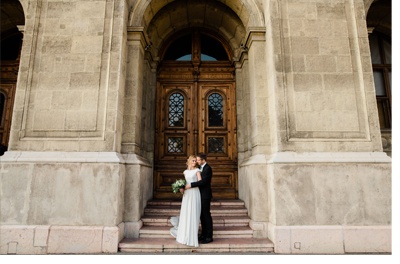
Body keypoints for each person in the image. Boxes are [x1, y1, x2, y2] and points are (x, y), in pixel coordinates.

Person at [169, 155, 202, 247]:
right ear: (189, 161)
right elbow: (185, 183)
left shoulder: (197, 171)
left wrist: (190, 185)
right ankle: (184, 235)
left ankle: (192, 237)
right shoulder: (185, 172)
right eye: (193, 160)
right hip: (187, 194)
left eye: (195, 161)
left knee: (193, 213)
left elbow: (200, 182)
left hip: (194, 193)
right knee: (186, 213)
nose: (194, 162)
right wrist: (181, 188)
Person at [185, 152, 213, 244]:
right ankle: (203, 234)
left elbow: (204, 182)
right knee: (201, 216)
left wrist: (191, 185)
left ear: (203, 160)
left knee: (206, 215)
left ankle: (209, 236)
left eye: (198, 160)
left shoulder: (208, 168)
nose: (196, 161)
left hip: (205, 195)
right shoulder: (200, 168)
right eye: (196, 160)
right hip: (199, 194)